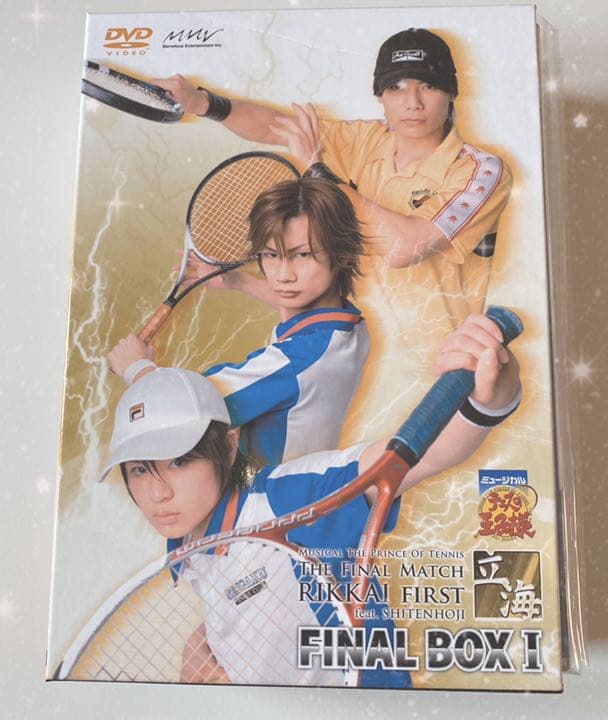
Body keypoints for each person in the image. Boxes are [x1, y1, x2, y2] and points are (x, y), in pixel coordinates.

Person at [99, 313, 522, 687]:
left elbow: (421, 457)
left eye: (179, 462)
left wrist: (489, 401)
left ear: (228, 448)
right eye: (139, 470)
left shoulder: (289, 499)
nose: (158, 493)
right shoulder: (184, 534)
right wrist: (209, 639)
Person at [154, 28, 513, 438]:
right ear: (380, 96)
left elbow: (405, 247)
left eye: (428, 85)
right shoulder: (365, 141)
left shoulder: (480, 171)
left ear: (451, 92)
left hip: (430, 385)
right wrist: (201, 102)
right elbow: (275, 128)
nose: (412, 102)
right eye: (396, 87)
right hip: (344, 380)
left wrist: (319, 171)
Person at [108, 176, 369, 465]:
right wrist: (237, 280)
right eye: (271, 254)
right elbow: (299, 308)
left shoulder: (297, 361)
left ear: (341, 252)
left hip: (263, 491)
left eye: (302, 255)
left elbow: (183, 409)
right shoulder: (351, 327)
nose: (283, 275)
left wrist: (138, 368)